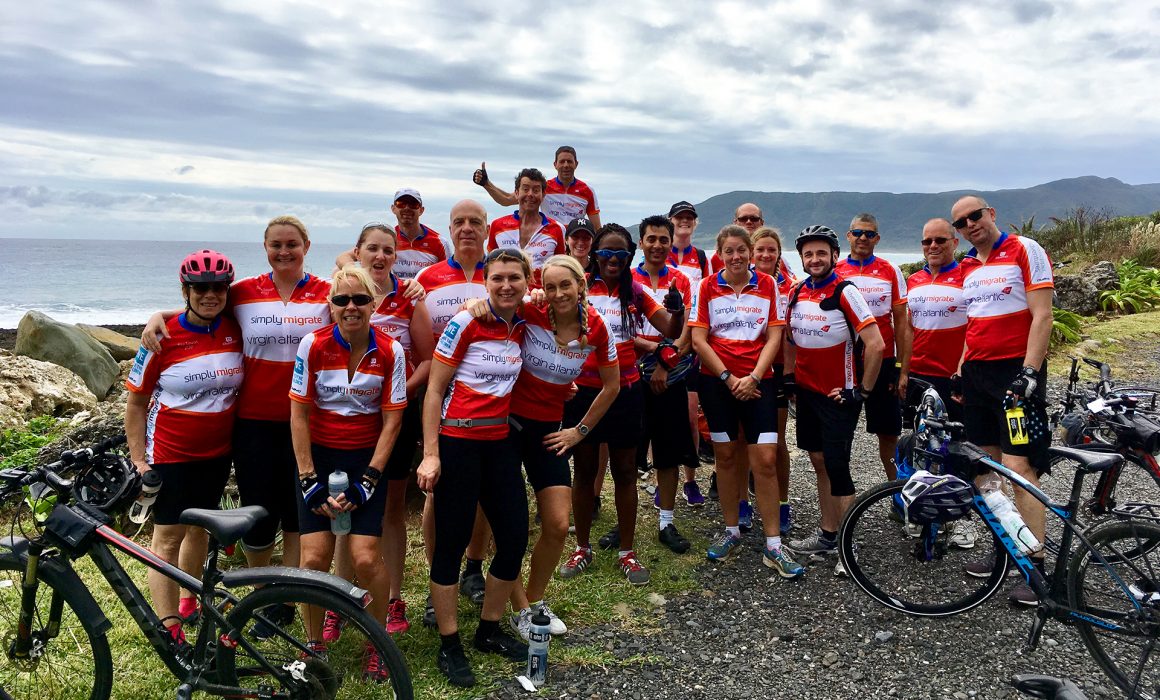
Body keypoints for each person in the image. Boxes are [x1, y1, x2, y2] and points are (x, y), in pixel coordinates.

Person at [140, 216, 331, 632]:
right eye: (276, 245)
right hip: (253, 425)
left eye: (292, 244)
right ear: (265, 249)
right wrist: (159, 314)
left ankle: (287, 598)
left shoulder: (327, 294)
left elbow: (364, 311)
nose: (284, 251)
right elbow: (201, 305)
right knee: (260, 518)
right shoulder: (243, 292)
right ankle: (262, 598)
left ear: (306, 246)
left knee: (298, 519)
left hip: (307, 423)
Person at [416, 248, 534, 688]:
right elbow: (434, 391)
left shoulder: (525, 321)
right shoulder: (468, 322)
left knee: (514, 538)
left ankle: (488, 629)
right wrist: (431, 454)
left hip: (500, 442)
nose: (506, 286)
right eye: (498, 278)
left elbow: (557, 302)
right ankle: (450, 643)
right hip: (459, 441)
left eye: (514, 279)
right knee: (451, 544)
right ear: (486, 282)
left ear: (526, 282)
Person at [290, 264, 406, 678]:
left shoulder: (391, 350)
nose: (351, 307)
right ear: (331, 306)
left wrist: (369, 480)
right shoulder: (313, 345)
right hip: (319, 459)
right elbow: (299, 414)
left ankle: (378, 640)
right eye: (342, 300)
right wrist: (308, 480)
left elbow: (392, 420)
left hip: (365, 458)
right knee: (314, 556)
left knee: (365, 559)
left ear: (374, 305)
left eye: (360, 299)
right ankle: (312, 641)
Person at [126, 249, 244, 646]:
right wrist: (139, 459)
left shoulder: (233, 328)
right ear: (186, 290)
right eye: (200, 288)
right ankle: (169, 624)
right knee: (168, 536)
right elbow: (136, 402)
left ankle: (191, 596)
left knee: (200, 529)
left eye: (218, 287)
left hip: (216, 452)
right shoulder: (161, 337)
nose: (210, 294)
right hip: (171, 453)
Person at [499, 255, 620, 638]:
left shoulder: (597, 328)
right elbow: (495, 305)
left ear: (581, 285)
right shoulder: (532, 311)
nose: (557, 294)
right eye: (549, 287)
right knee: (511, 524)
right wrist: (480, 302)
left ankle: (535, 601)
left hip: (550, 430)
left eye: (564, 286)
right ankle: (517, 606)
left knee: (556, 523)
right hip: (506, 425)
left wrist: (578, 431)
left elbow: (612, 385)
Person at [558, 224, 683, 585]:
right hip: (582, 391)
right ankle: (582, 547)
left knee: (625, 471)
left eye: (621, 255)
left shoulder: (637, 292)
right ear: (594, 256)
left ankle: (627, 552)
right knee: (583, 471)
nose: (612, 261)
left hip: (625, 392)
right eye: (605, 254)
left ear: (630, 258)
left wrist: (677, 310)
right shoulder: (579, 288)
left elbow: (671, 330)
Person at [952, 195, 1054, 605]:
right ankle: (1006, 552)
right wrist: (960, 369)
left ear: (991, 214)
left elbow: (1042, 315)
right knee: (985, 469)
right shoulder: (966, 267)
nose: (970, 224)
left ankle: (1036, 563)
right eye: (961, 222)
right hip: (976, 375)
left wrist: (1030, 372)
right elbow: (973, 325)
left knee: (1019, 467)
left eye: (975, 216)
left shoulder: (1025, 249)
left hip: (1015, 373)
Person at [689, 226, 803, 577]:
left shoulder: (767, 285)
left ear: (750, 252)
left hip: (759, 384)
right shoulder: (706, 286)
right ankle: (731, 530)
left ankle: (773, 545)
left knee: (765, 459)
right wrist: (727, 378)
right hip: (717, 383)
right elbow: (699, 339)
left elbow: (774, 335)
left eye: (742, 250)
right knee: (725, 456)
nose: (736, 257)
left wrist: (753, 376)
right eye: (729, 251)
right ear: (719, 254)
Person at [349, 223, 435, 635]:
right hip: (346, 421)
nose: (380, 256)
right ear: (358, 252)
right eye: (372, 249)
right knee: (343, 510)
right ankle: (343, 598)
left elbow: (427, 360)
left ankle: (395, 599)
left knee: (392, 511)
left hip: (395, 419)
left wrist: (397, 395)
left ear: (395, 256)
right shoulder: (343, 291)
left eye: (388, 250)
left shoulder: (408, 297)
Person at [784, 226, 884, 574]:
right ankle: (828, 533)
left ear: (834, 256)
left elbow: (876, 343)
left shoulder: (846, 291)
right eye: (808, 254)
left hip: (838, 395)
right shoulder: (797, 292)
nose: (814, 259)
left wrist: (863, 391)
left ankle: (847, 542)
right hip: (808, 393)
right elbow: (789, 339)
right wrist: (788, 378)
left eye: (821, 253)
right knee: (818, 460)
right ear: (801, 258)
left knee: (837, 466)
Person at [414, 200, 492, 621]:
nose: (467, 228)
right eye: (459, 222)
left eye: (474, 222)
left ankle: (474, 569)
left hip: (490, 397)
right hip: (442, 397)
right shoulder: (427, 278)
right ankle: (435, 578)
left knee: (483, 491)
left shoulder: (499, 272)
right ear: (448, 229)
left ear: (486, 229)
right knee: (436, 493)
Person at [632, 215, 698, 554]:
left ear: (671, 242)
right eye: (650, 239)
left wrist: (663, 363)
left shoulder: (683, 280)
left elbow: (687, 330)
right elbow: (624, 332)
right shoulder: (628, 279)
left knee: (669, 451)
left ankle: (666, 522)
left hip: (669, 375)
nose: (657, 245)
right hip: (632, 373)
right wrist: (653, 353)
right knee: (628, 450)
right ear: (641, 242)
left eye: (662, 239)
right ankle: (623, 521)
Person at [834, 213, 909, 481]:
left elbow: (902, 323)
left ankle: (898, 492)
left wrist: (902, 369)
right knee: (842, 431)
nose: (862, 238)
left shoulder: (890, 270)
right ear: (848, 235)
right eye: (857, 232)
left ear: (877, 238)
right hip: (847, 363)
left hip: (885, 360)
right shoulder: (836, 271)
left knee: (888, 433)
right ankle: (842, 493)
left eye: (869, 234)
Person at [751, 226, 797, 534]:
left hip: (778, 370)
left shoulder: (791, 286)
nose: (767, 254)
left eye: (772, 249)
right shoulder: (744, 282)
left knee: (776, 441)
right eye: (761, 250)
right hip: (749, 366)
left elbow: (792, 336)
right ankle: (744, 502)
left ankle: (782, 502)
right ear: (752, 254)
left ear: (779, 253)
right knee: (744, 441)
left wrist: (791, 374)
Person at [900, 218, 967, 423]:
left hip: (952, 376)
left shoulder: (967, 276)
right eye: (927, 241)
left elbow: (976, 328)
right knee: (921, 438)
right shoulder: (914, 279)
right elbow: (909, 330)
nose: (933, 246)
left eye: (940, 240)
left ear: (955, 243)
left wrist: (963, 373)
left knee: (956, 442)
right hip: (918, 374)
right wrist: (903, 373)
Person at [665, 200, 710, 506]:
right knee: (662, 415)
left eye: (689, 219)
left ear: (695, 224)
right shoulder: (659, 252)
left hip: (692, 341)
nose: (684, 222)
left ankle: (690, 479)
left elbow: (707, 294)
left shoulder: (702, 256)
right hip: (664, 339)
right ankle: (660, 477)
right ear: (671, 221)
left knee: (692, 416)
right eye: (679, 218)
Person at [473, 146, 601, 229]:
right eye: (562, 161)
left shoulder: (587, 191)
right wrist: (486, 184)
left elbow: (596, 228)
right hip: (551, 241)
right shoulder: (544, 187)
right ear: (555, 165)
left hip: (575, 245)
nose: (566, 165)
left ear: (576, 164)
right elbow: (506, 199)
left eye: (569, 161)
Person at [337, 189, 448, 280]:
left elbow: (448, 272)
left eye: (413, 204)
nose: (407, 208)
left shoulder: (439, 242)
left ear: (421, 210)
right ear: (393, 209)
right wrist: (354, 274)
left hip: (425, 297)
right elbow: (343, 257)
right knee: (336, 272)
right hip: (395, 297)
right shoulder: (388, 239)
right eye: (401, 204)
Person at [487, 168, 567, 286]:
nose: (530, 194)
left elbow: (561, 270)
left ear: (543, 195)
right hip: (506, 296)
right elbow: (489, 267)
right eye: (525, 189)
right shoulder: (497, 226)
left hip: (541, 300)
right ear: (517, 193)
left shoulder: (557, 229)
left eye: (536, 190)